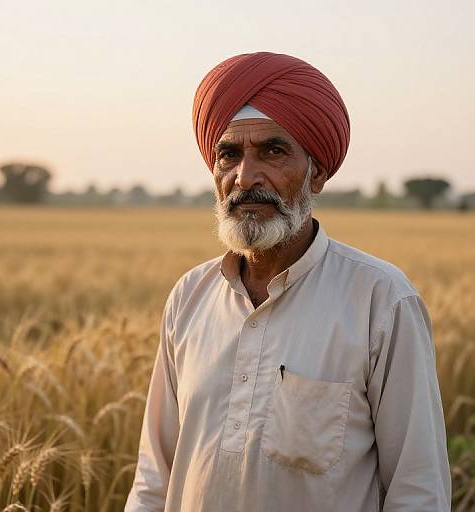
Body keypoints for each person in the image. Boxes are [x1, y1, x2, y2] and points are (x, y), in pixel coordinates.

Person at [124, 51, 451, 512]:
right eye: (229, 154)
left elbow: (418, 489)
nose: (246, 177)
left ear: (316, 173)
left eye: (273, 152)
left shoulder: (381, 300)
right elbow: (154, 477)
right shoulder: (189, 297)